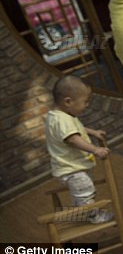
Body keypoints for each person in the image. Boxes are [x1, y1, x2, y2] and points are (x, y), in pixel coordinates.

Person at [44, 75, 114, 224]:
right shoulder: (61, 120)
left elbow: (78, 129)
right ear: (68, 101)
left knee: (82, 191)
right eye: (85, 102)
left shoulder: (62, 116)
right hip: (71, 169)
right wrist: (95, 149)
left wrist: (93, 132)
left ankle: (81, 210)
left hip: (73, 166)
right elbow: (74, 138)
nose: (87, 105)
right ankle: (93, 216)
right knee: (86, 189)